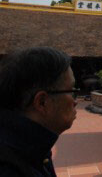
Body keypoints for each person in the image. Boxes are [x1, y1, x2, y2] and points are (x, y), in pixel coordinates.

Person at [0, 47, 78, 176]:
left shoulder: (33, 146)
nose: (75, 102)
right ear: (42, 102)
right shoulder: (9, 167)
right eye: (71, 91)